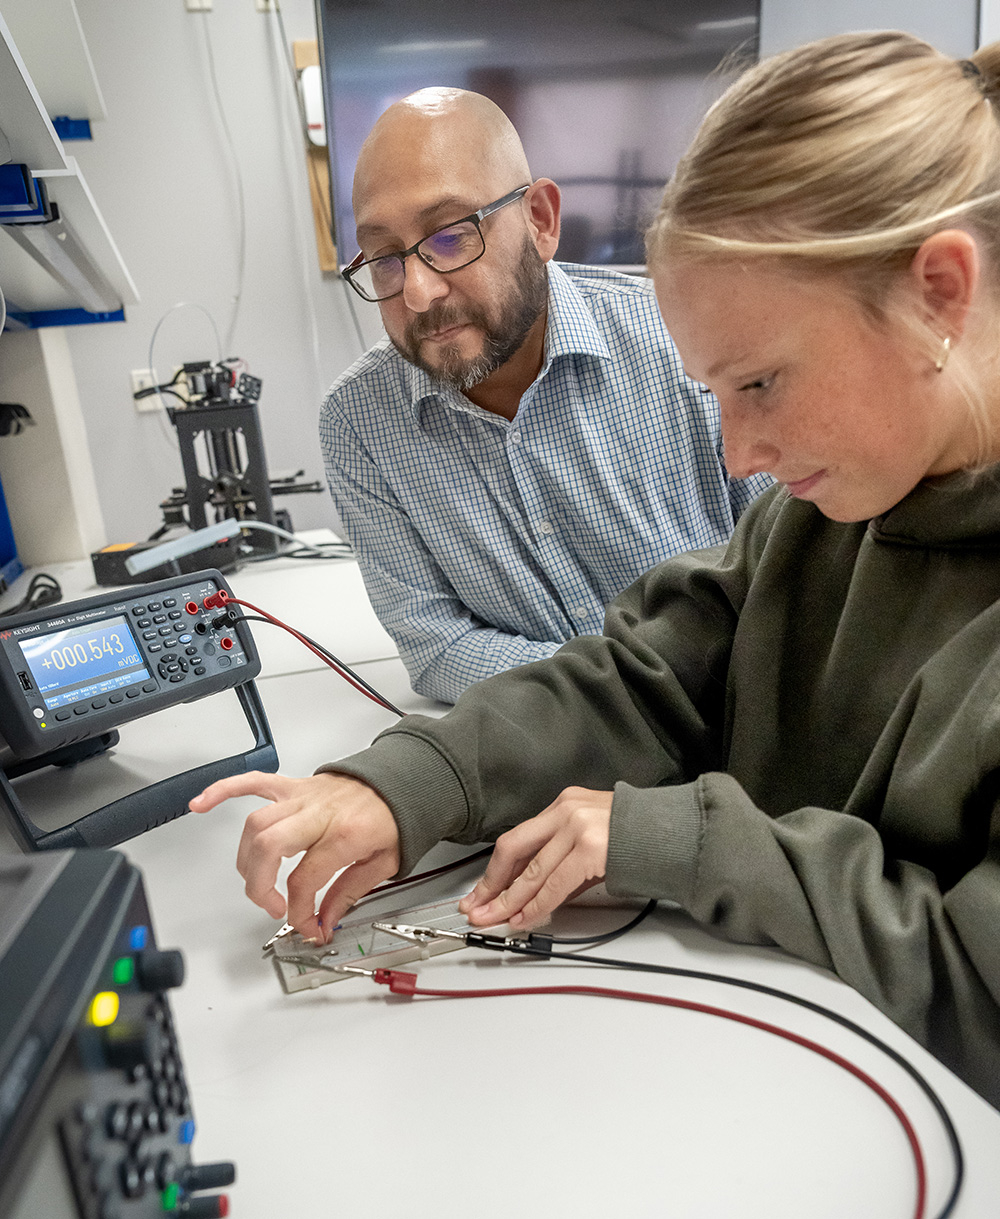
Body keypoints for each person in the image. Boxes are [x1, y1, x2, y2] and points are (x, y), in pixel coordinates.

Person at [194, 32, 1000, 1106]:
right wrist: (405, 782)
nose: (734, 457)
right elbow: (641, 676)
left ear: (940, 293)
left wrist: (681, 838)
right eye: (714, 393)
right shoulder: (830, 511)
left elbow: (976, 993)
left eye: (757, 382)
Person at [321, 87, 771, 703]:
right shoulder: (359, 423)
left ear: (540, 220)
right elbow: (438, 650)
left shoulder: (683, 345)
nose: (419, 292)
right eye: (384, 258)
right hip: (547, 762)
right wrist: (631, 695)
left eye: (451, 235)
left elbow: (795, 580)